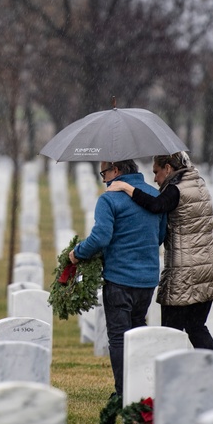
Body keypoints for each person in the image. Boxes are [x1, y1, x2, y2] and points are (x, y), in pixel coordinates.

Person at [108, 151, 213, 350]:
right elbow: (211, 223)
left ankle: (169, 377)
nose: (155, 179)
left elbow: (156, 205)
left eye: (156, 172)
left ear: (168, 168)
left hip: (185, 273)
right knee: (196, 327)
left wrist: (126, 188)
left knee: (169, 333)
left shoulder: (176, 189)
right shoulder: (199, 185)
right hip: (209, 271)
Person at [69, 159, 166, 401]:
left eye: (104, 173)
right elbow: (161, 235)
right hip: (147, 278)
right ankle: (144, 388)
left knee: (119, 337)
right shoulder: (154, 195)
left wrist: (77, 253)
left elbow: (101, 237)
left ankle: (124, 393)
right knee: (138, 329)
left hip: (119, 278)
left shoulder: (108, 199)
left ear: (116, 169)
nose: (103, 179)